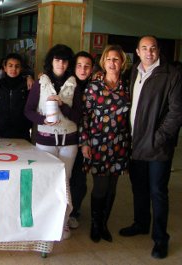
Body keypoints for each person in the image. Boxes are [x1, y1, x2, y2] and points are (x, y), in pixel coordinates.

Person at [119, 35, 182, 259]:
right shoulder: (135, 71)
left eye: (152, 48)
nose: (149, 52)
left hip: (157, 147)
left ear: (158, 50)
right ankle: (141, 223)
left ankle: (160, 239)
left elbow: (176, 113)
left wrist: (159, 138)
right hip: (135, 143)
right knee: (139, 188)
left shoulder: (171, 75)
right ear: (137, 52)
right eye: (144, 48)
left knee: (158, 192)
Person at [24, 44, 81, 240]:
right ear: (51, 62)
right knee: (45, 180)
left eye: (64, 60)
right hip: (45, 139)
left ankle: (63, 222)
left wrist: (62, 105)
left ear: (69, 64)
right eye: (57, 60)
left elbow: (78, 116)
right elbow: (28, 110)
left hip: (69, 141)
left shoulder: (75, 84)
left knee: (64, 182)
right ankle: (44, 221)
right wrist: (43, 120)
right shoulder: (41, 83)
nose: (61, 64)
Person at [80, 45, 130, 243]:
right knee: (100, 187)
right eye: (108, 59)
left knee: (112, 187)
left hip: (119, 144)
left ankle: (104, 224)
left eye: (116, 59)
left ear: (122, 63)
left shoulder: (127, 87)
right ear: (103, 62)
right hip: (98, 143)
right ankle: (95, 224)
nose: (112, 63)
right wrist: (84, 142)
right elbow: (85, 116)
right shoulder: (94, 87)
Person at [68, 51, 94, 229]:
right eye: (79, 65)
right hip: (66, 138)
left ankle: (73, 211)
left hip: (85, 139)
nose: (83, 69)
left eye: (87, 66)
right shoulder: (67, 83)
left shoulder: (95, 86)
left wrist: (85, 141)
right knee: (65, 177)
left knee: (79, 178)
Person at [0, 53, 32, 141]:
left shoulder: (27, 85)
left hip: (22, 132)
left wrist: (29, 76)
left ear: (21, 68)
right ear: (5, 68)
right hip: (0, 132)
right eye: (10, 66)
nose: (13, 69)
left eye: (17, 66)